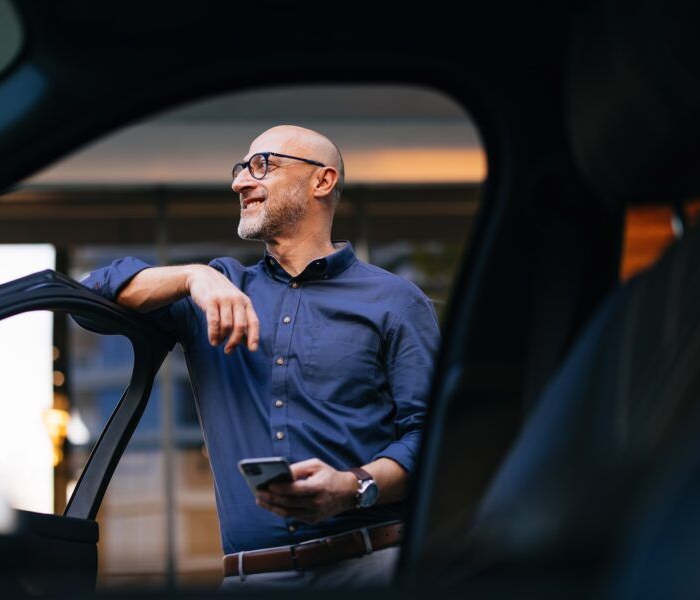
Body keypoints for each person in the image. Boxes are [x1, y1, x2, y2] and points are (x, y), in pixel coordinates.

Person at [81, 125, 441, 589]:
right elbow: (92, 297)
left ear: (322, 181)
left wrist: (352, 486)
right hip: (252, 581)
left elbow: (433, 441)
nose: (240, 183)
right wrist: (193, 276)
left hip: (372, 570)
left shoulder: (395, 300)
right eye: (240, 169)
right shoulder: (215, 292)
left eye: (262, 165)